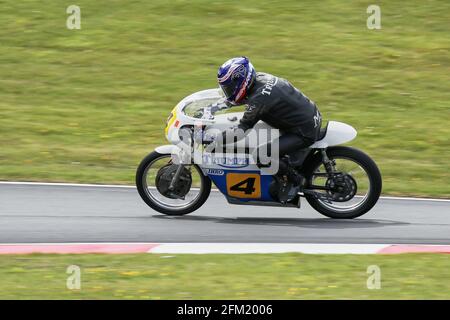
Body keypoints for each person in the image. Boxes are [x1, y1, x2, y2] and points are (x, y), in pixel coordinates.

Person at [214, 56, 322, 202]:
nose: (228, 92)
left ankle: (295, 181)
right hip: (308, 116)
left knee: (261, 154)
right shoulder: (260, 79)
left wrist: (216, 139)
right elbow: (245, 99)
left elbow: (241, 130)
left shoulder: (259, 98)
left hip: (303, 131)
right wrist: (215, 106)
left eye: (229, 88)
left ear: (241, 82)